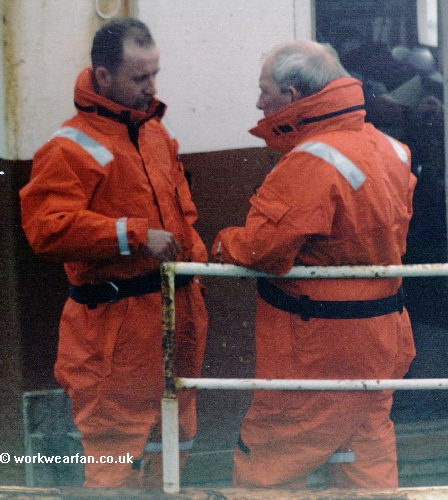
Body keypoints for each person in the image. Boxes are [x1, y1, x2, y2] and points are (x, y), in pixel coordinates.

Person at [211, 40, 416, 489]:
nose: (259, 103)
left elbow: (264, 250)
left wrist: (224, 243)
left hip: (317, 345)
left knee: (272, 461)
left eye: (264, 91)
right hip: (383, 336)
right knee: (363, 456)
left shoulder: (308, 161)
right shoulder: (391, 149)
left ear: (291, 95)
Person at [20, 18, 208, 488]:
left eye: (155, 74)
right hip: (115, 331)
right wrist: (133, 235)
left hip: (177, 315)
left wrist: (199, 269)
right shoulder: (68, 148)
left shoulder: (156, 136)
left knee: (175, 441)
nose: (152, 87)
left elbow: (184, 216)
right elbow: (47, 229)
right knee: (115, 458)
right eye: (140, 77)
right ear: (103, 76)